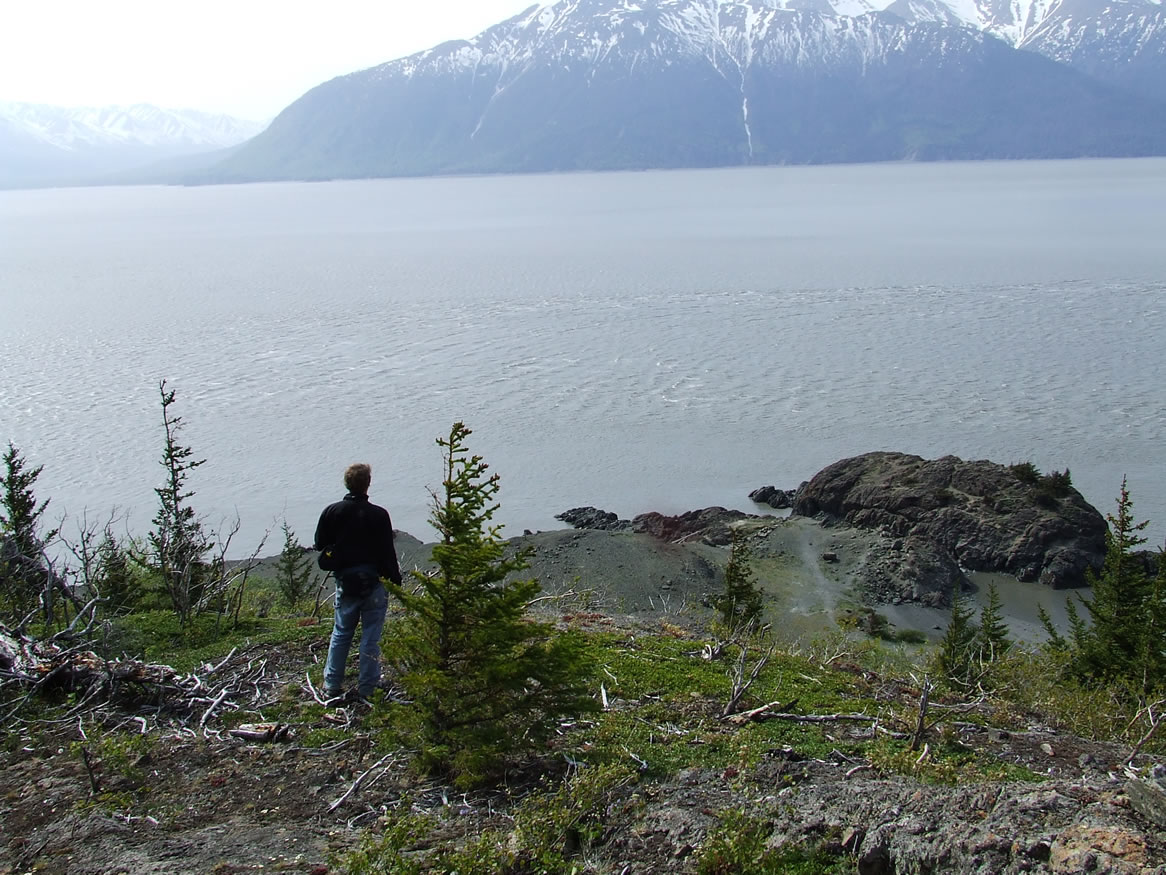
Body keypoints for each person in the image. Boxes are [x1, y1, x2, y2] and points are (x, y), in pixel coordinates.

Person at [314, 462, 402, 701]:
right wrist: (395, 580)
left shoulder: (332, 511)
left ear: (347, 483)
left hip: (346, 581)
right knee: (371, 637)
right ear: (367, 484)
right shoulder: (379, 515)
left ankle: (332, 685)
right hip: (373, 582)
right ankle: (368, 687)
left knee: (341, 632)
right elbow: (387, 552)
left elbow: (319, 543)